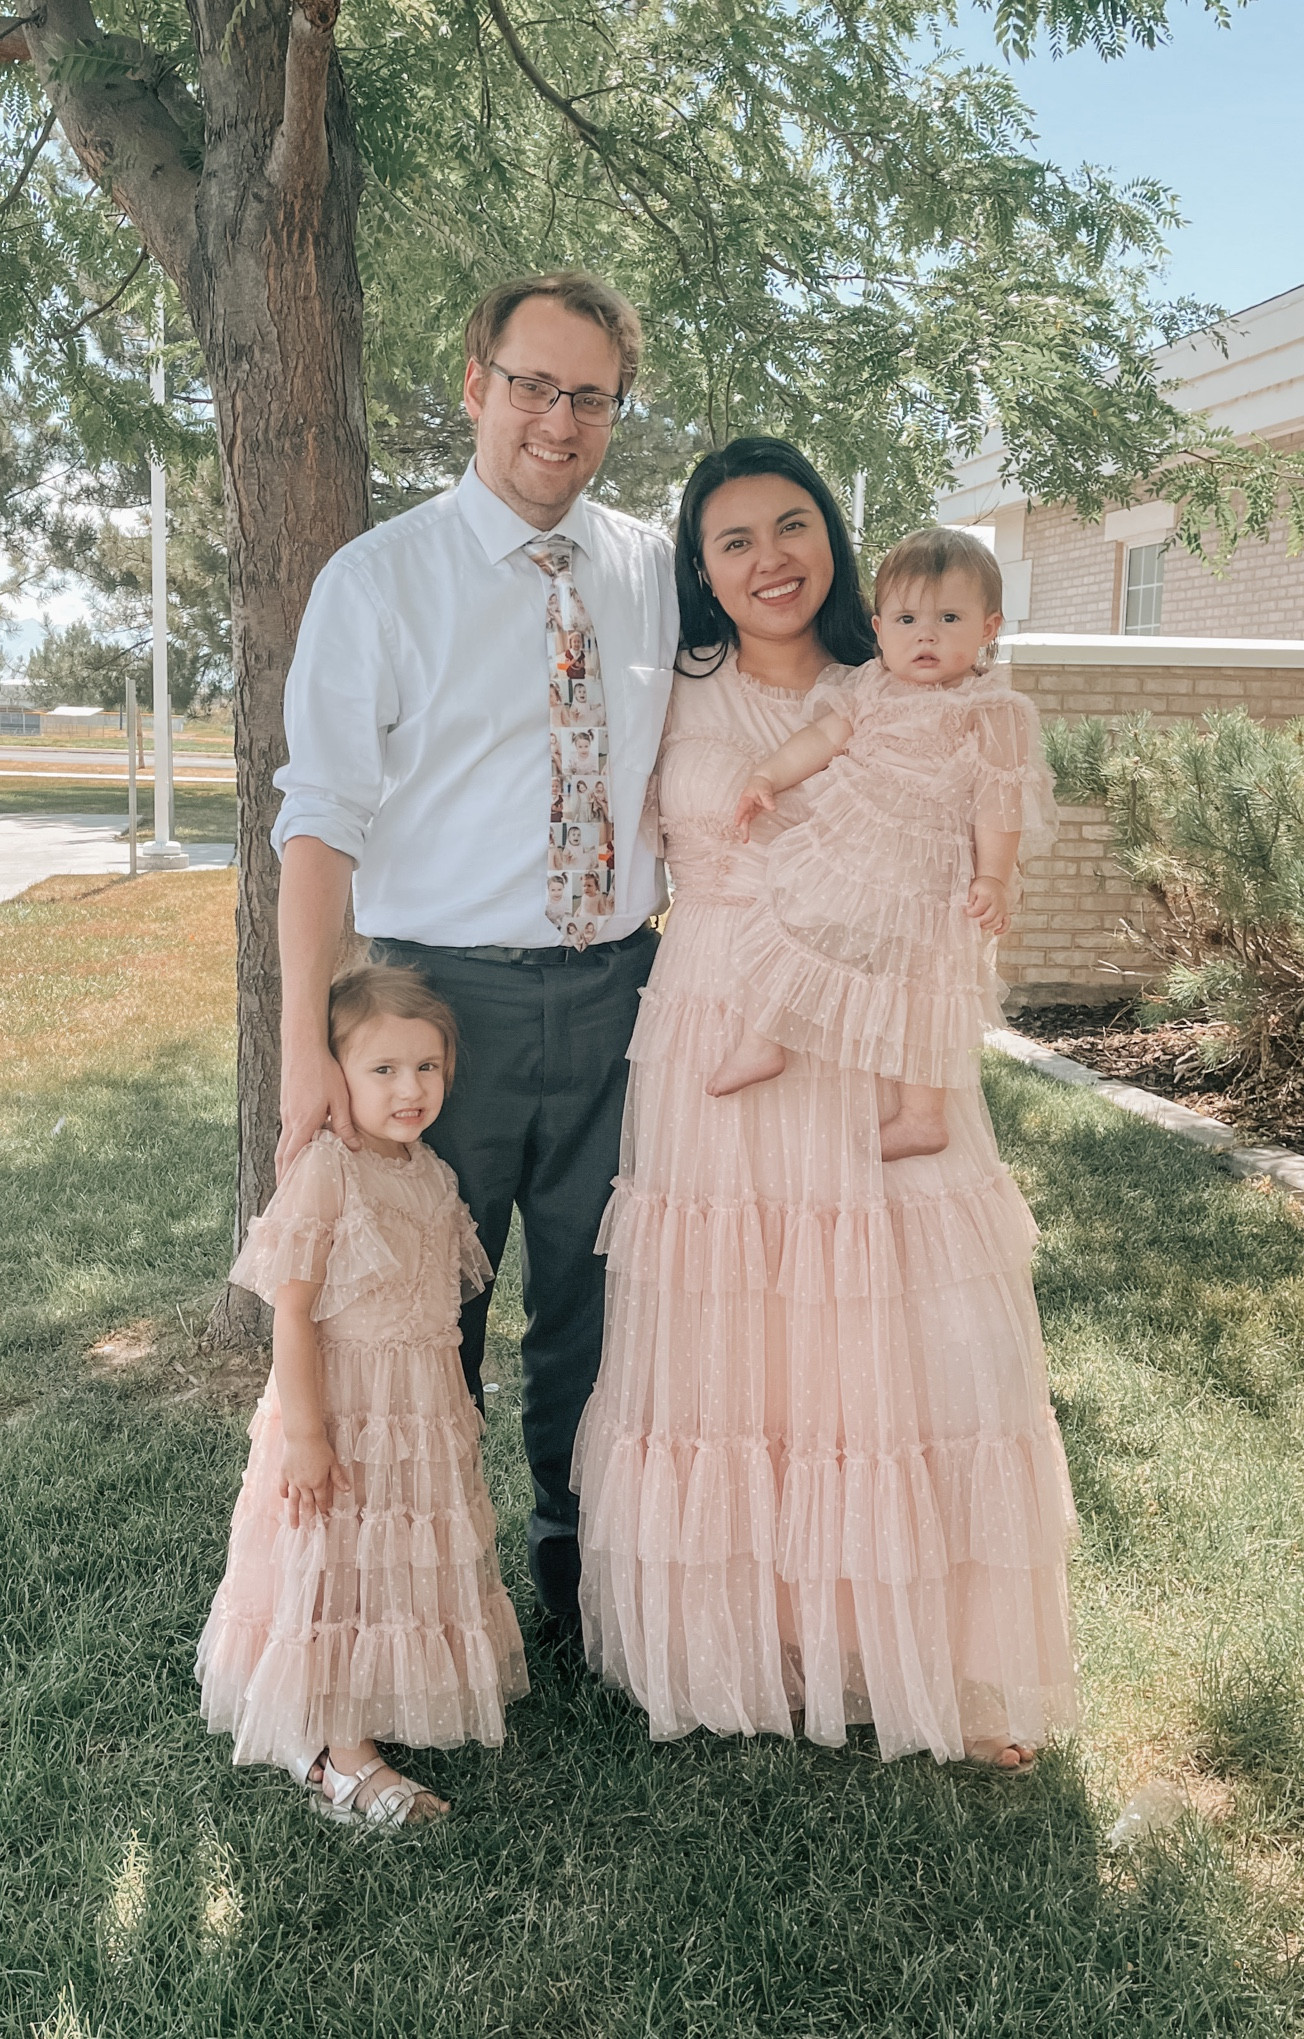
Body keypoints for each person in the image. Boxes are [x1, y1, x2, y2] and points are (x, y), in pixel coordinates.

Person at [572, 437, 1078, 1768]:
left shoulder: (902, 674)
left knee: (910, 1333)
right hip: (713, 1025)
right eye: (733, 539)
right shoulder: (662, 689)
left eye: (793, 525)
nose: (770, 558)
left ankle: (936, 1658)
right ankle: (769, 1633)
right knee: (747, 1338)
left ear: (835, 541)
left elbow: (990, 814)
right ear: (699, 566)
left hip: (874, 1022)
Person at [272, 271, 677, 1638]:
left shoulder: (650, 573)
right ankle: (415, 1591)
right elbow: (318, 827)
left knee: (594, 1298)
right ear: (473, 382)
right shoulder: (378, 580)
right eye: (531, 384)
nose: (556, 421)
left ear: (615, 413)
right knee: (418, 1317)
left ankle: (575, 1567)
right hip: (439, 1008)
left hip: (624, 995)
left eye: (590, 396)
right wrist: (305, 1067)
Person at [198, 967, 528, 1826]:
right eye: (382, 1069)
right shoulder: (327, 1171)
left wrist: (450, 1407)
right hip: (342, 1411)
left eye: (428, 1067)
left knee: (393, 1569)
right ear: (336, 1073)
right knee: (342, 1572)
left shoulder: (434, 1176)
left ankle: (374, 1706)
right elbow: (294, 1311)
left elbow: (441, 1308)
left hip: (414, 1413)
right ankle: (344, 1760)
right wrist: (306, 1433)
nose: (410, 1089)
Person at [707, 528, 1056, 1164]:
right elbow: (819, 741)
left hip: (930, 877)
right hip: (853, 851)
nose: (926, 635)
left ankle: (922, 1116)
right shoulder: (868, 687)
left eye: (949, 618)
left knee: (927, 989)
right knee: (796, 918)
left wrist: (995, 877)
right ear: (879, 627)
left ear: (989, 627)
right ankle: (765, 1038)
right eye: (907, 619)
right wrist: (766, 777)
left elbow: (998, 800)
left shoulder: (991, 708)